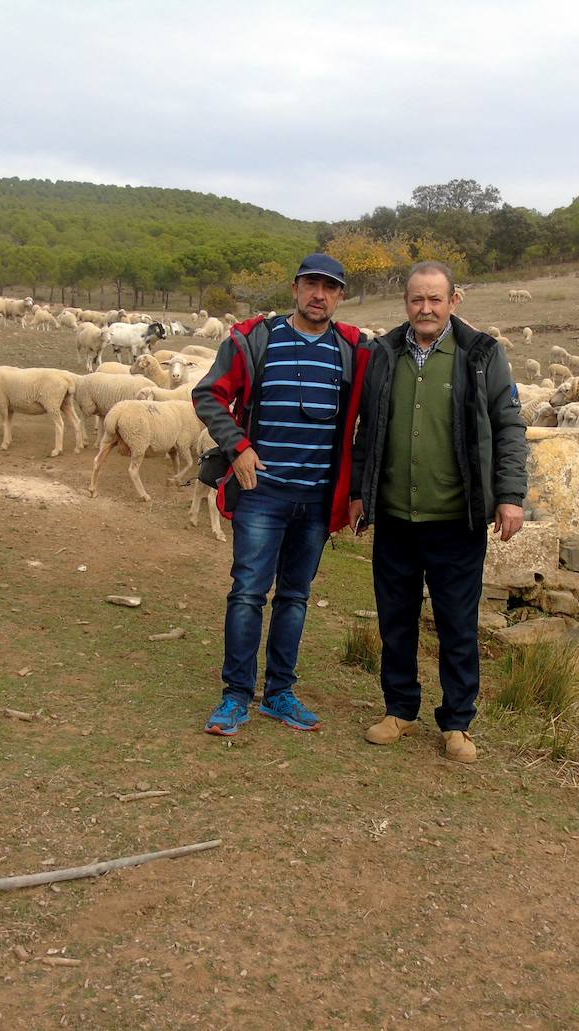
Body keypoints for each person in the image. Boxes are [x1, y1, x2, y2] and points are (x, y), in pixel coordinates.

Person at [348, 260, 528, 763]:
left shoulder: (481, 354)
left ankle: (457, 723)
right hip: (396, 517)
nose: (425, 308)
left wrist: (510, 495)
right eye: (416, 299)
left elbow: (509, 426)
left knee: (456, 622)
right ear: (405, 303)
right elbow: (367, 428)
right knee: (397, 619)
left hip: (457, 518)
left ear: (454, 301)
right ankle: (399, 709)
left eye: (435, 299)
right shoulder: (383, 354)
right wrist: (361, 492)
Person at [192, 254, 372, 737]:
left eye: (330, 288)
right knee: (248, 592)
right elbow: (208, 394)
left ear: (340, 296)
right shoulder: (257, 338)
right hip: (261, 494)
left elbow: (363, 428)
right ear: (295, 289)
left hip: (316, 499)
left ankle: (279, 693)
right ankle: (235, 696)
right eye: (311, 285)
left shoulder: (352, 350)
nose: (320, 295)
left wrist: (356, 492)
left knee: (295, 596)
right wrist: (238, 446)